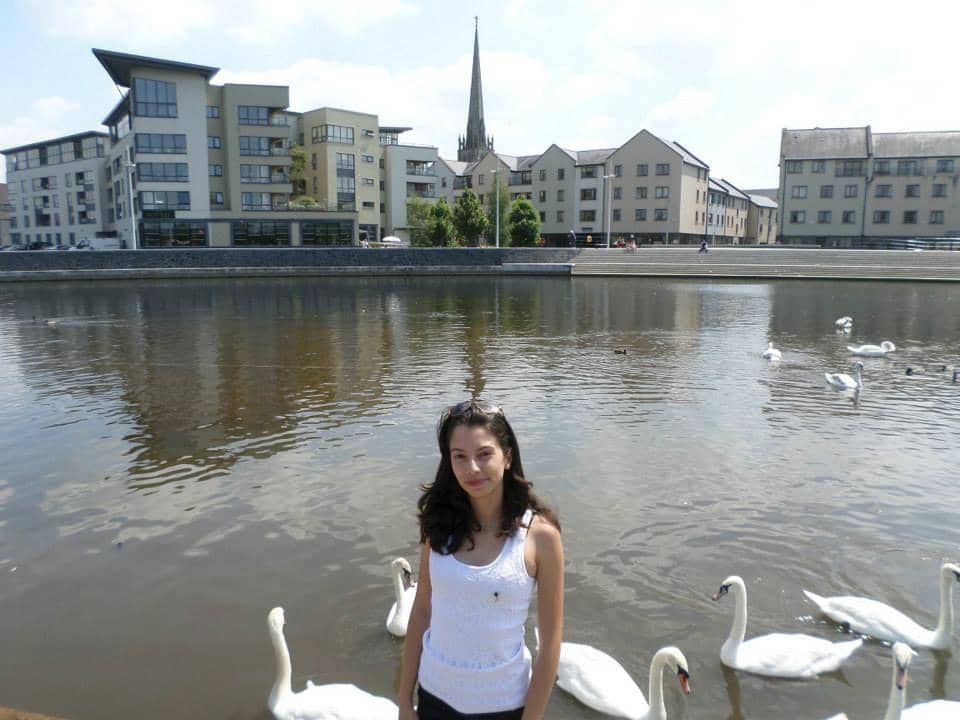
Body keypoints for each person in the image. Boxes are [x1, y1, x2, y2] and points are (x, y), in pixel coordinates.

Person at [399, 400, 564, 720]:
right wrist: (405, 699)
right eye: (459, 457)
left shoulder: (540, 536)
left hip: (504, 705)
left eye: (484, 454)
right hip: (434, 698)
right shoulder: (438, 525)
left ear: (508, 457)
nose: (471, 468)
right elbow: (422, 609)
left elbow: (551, 644)